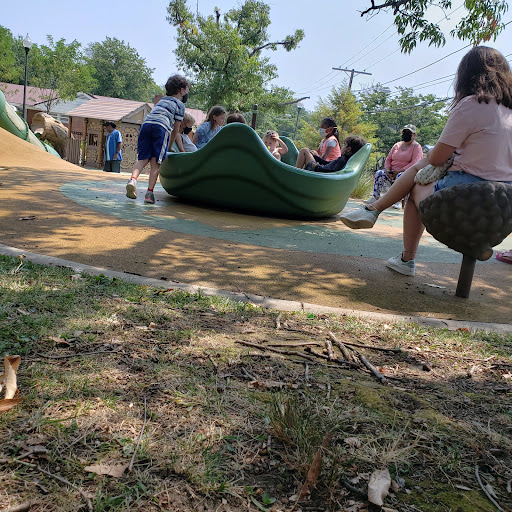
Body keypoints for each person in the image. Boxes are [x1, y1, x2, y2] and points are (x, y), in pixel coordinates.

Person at [339, 46, 512, 277]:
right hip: (506, 202)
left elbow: (438, 157)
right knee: (419, 171)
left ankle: (404, 255)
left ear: (467, 74)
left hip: (467, 193)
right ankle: (477, 244)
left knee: (416, 184)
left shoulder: (473, 103)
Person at [125, 74, 189, 204]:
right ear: (182, 90)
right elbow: (176, 130)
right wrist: (170, 146)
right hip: (161, 128)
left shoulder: (162, 100)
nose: (187, 92)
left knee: (142, 159)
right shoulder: (180, 105)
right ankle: (149, 193)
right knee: (156, 162)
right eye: (187, 90)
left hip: (146, 125)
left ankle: (132, 180)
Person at [367, 124, 423, 209]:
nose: (406, 134)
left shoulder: (416, 147)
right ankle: (375, 197)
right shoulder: (397, 145)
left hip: (406, 173)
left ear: (414, 135)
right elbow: (389, 159)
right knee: (379, 173)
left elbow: (415, 162)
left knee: (401, 176)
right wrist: (388, 169)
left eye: (409, 132)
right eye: (404, 132)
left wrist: (400, 170)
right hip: (391, 171)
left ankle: (398, 201)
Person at [299, 135, 366, 172]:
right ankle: (299, 171)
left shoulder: (343, 159)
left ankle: (295, 172)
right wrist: (316, 157)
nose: (342, 147)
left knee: (305, 150)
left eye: (344, 145)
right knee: (309, 152)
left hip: (319, 173)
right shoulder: (345, 159)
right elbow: (328, 163)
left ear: (348, 149)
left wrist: (317, 167)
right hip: (321, 170)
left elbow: (333, 170)